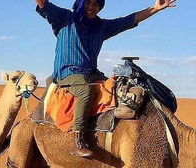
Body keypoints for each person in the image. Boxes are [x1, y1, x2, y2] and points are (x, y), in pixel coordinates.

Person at [34, 0, 177, 157]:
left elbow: (128, 20)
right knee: (85, 92)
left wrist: (155, 8)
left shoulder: (101, 26)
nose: (91, 7)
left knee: (122, 85)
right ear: (80, 4)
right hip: (68, 73)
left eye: (96, 4)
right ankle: (78, 139)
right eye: (88, 3)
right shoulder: (65, 18)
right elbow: (44, 4)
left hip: (91, 73)